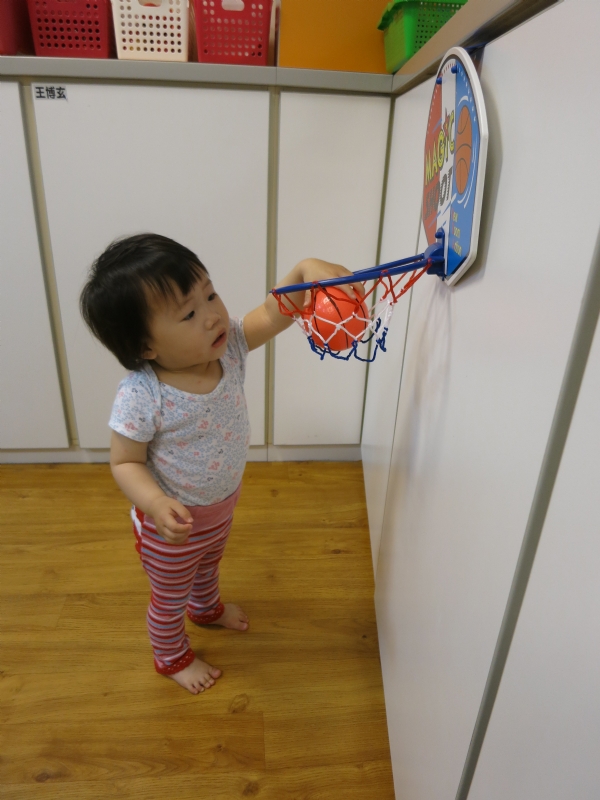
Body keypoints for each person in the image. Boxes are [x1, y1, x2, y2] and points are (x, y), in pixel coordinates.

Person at [80, 233, 362, 695]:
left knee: (210, 563)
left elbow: (273, 312)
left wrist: (303, 270)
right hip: (172, 525)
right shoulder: (142, 394)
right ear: (145, 346)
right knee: (169, 596)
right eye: (188, 314)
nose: (212, 314)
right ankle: (170, 656)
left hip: (220, 506)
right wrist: (155, 504)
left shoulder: (227, 346)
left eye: (209, 294)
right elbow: (124, 462)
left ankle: (206, 609)